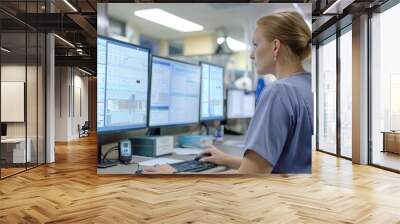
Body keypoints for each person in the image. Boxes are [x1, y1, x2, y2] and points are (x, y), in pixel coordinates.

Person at [143, 11, 313, 174]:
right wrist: (227, 159)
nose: (252, 55)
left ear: (275, 47)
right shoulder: (308, 85)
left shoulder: (278, 92)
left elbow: (249, 177)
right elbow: (283, 166)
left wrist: (176, 175)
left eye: (256, 45)